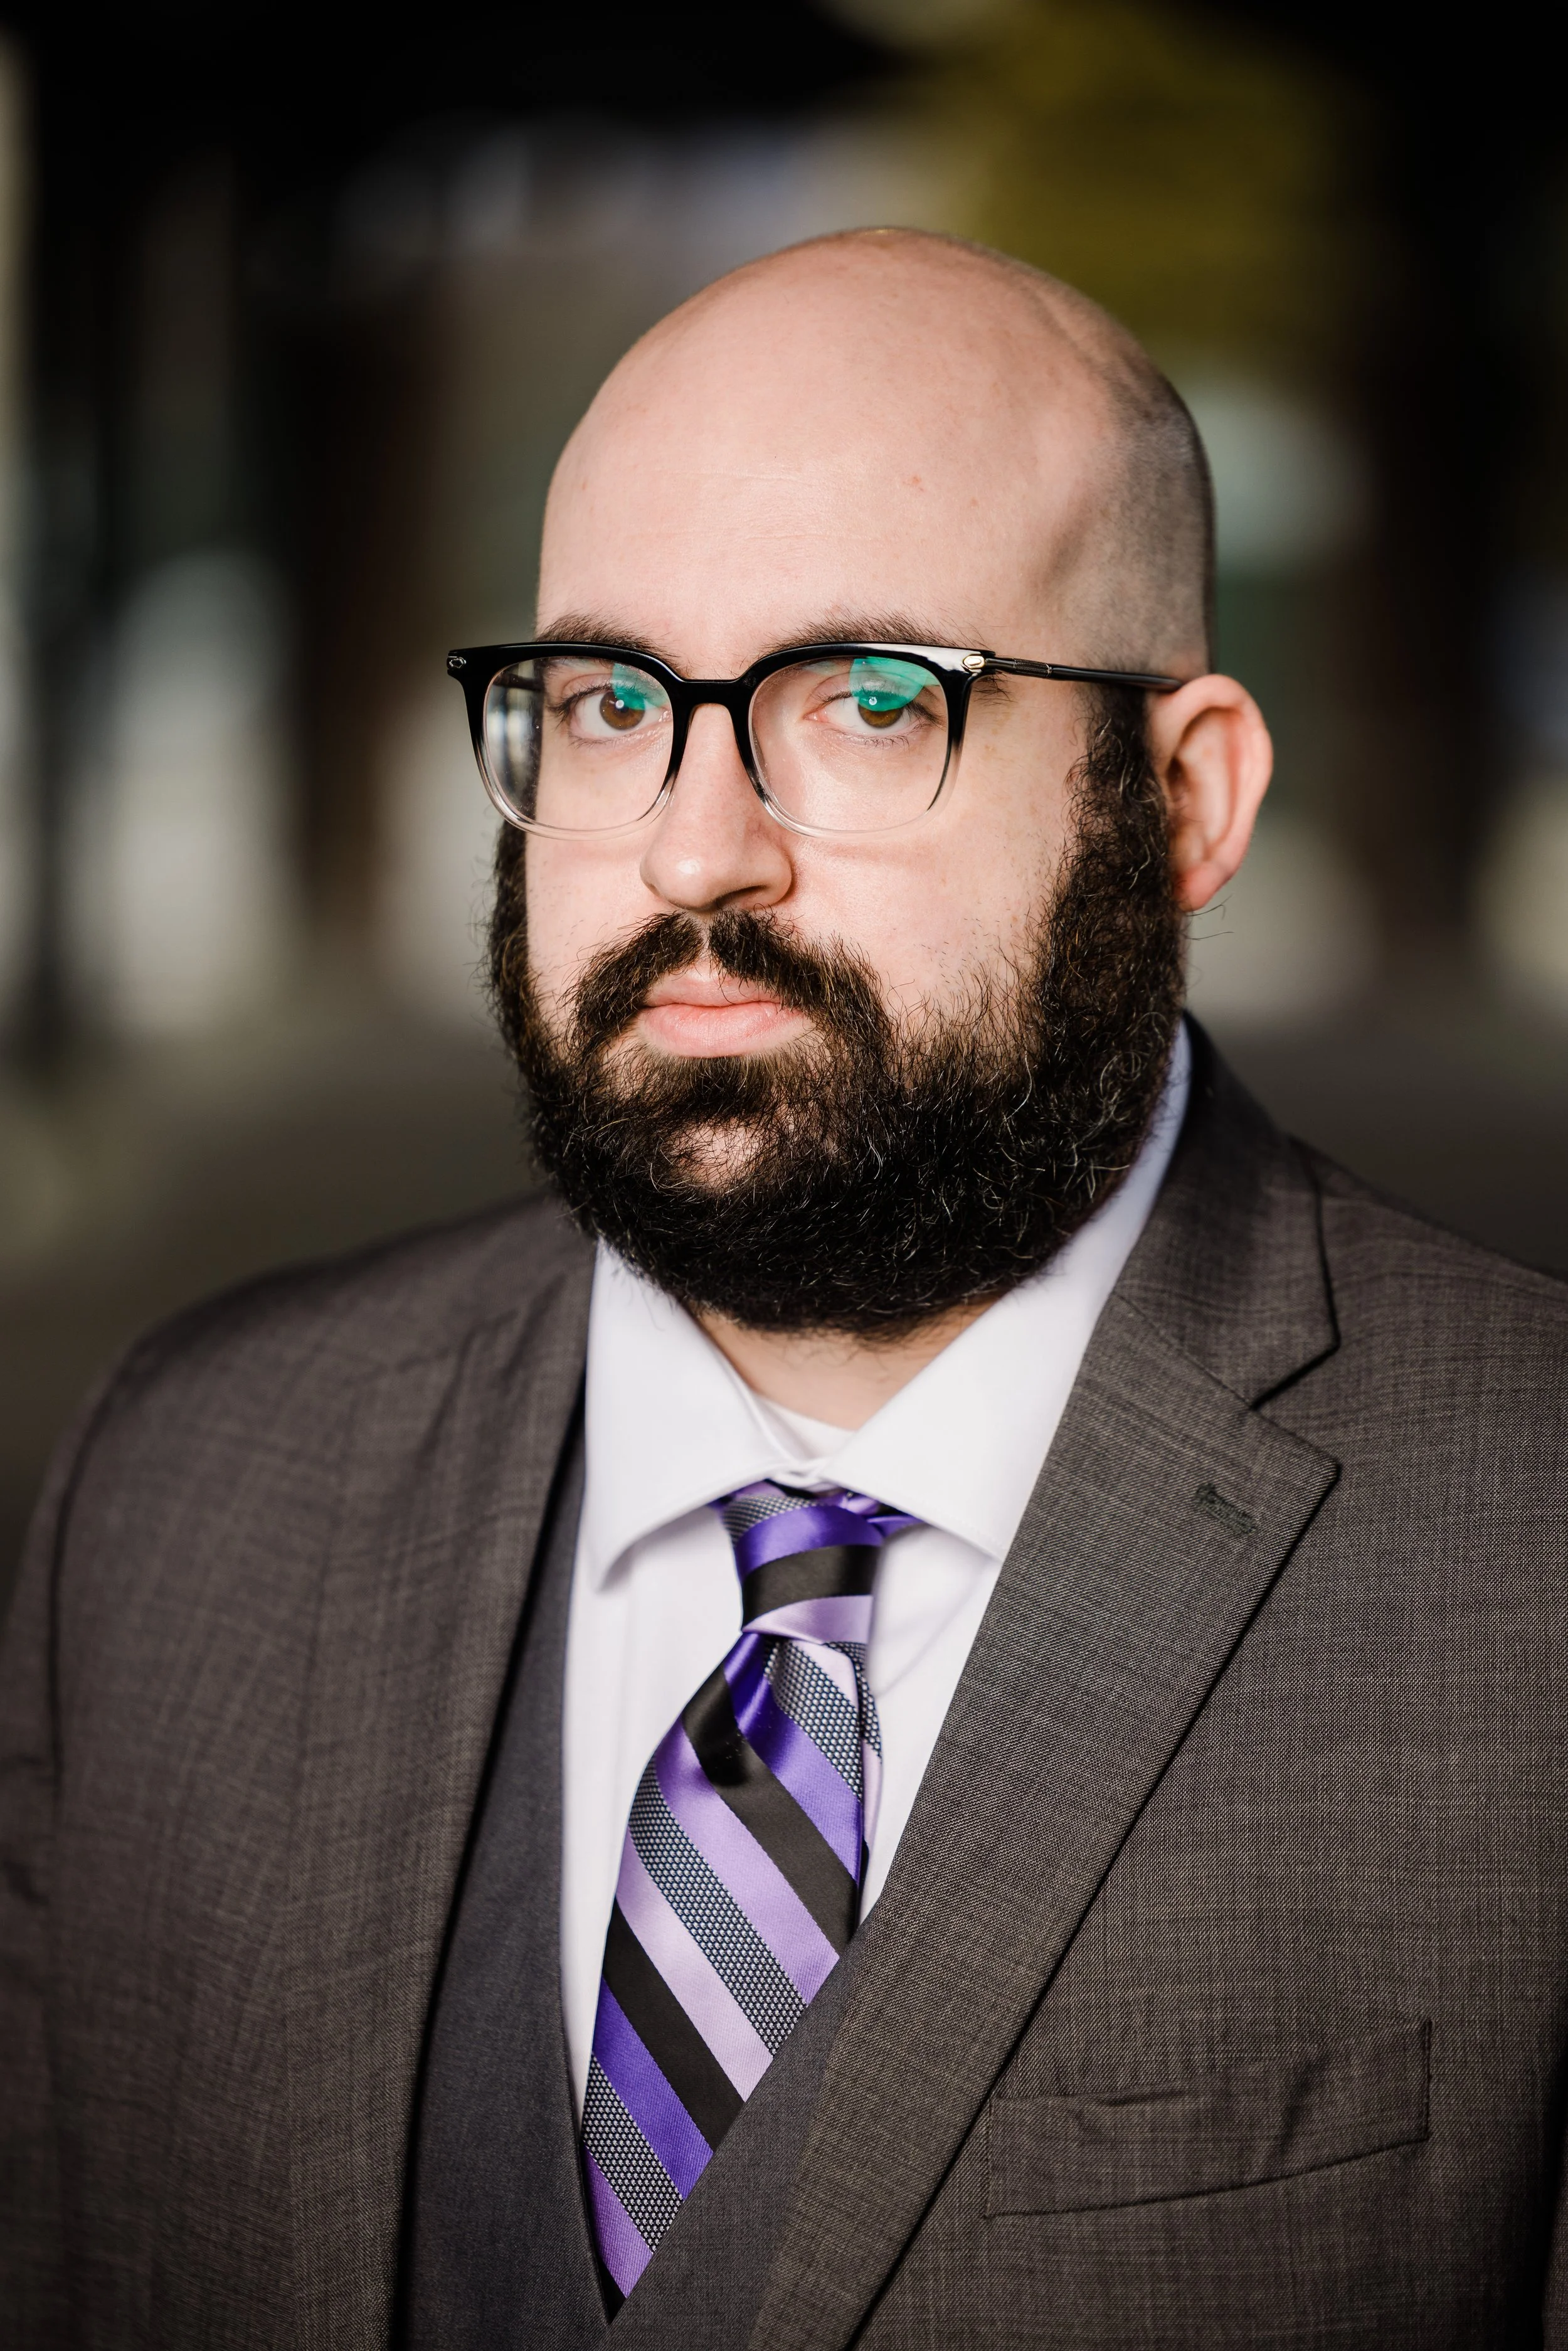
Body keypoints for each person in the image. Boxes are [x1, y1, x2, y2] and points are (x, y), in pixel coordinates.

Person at [3, 228, 1566, 2351]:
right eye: (609, 701)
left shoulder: (1531, 1552)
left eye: (866, 701)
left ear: (1182, 798)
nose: (690, 849)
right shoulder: (180, 1495)